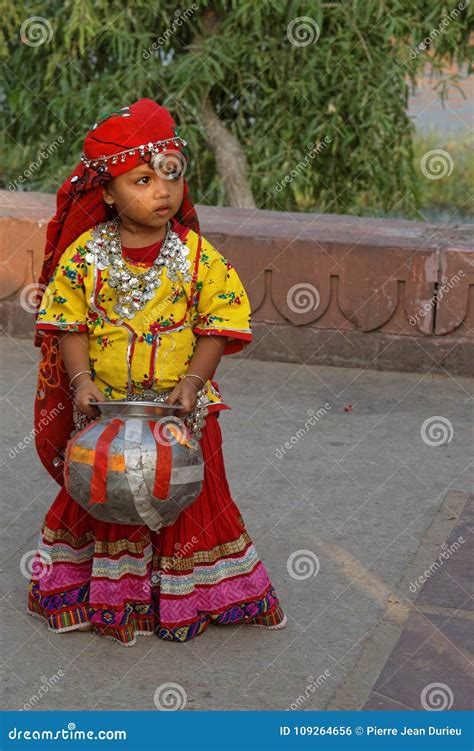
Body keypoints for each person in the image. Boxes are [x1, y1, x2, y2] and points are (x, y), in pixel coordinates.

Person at [28, 98, 287, 646]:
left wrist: (192, 384)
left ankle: (184, 599)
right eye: (142, 180)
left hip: (181, 411)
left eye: (170, 175)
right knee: (104, 494)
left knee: (193, 497)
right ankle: (110, 597)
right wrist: (79, 384)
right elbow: (68, 324)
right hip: (107, 411)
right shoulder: (84, 257)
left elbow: (220, 321)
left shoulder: (196, 256)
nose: (161, 191)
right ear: (105, 191)